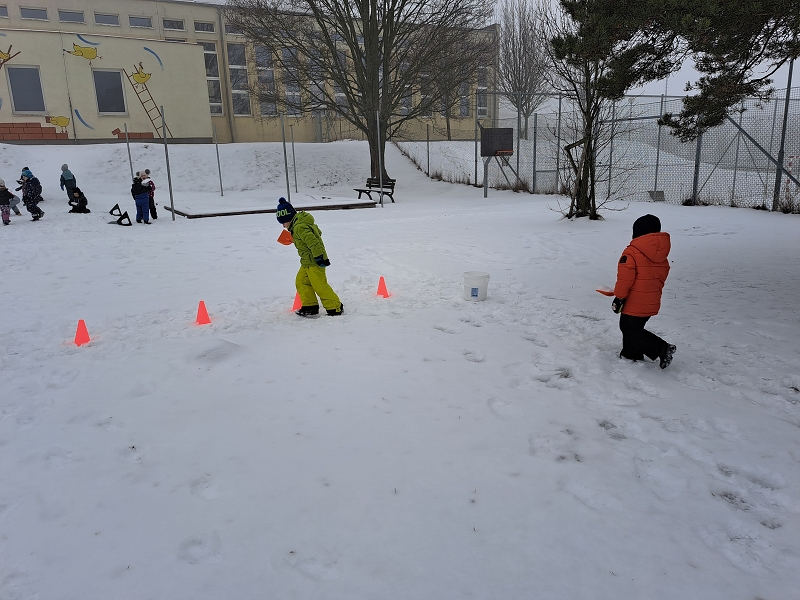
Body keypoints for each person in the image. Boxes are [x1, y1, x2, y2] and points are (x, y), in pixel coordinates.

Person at [612, 214, 676, 368]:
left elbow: (625, 279)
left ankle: (662, 348)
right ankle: (631, 354)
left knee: (629, 328)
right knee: (633, 327)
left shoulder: (631, 253)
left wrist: (619, 297)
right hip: (652, 300)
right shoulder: (662, 256)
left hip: (634, 301)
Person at [277, 197, 343, 317]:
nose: (283, 226)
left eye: (283, 223)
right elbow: (313, 235)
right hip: (306, 262)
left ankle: (335, 307)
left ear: (288, 218)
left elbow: (314, 242)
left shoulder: (299, 227)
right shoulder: (297, 227)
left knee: (320, 286)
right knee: (301, 281)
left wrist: (319, 257)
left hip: (315, 261)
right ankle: (310, 306)